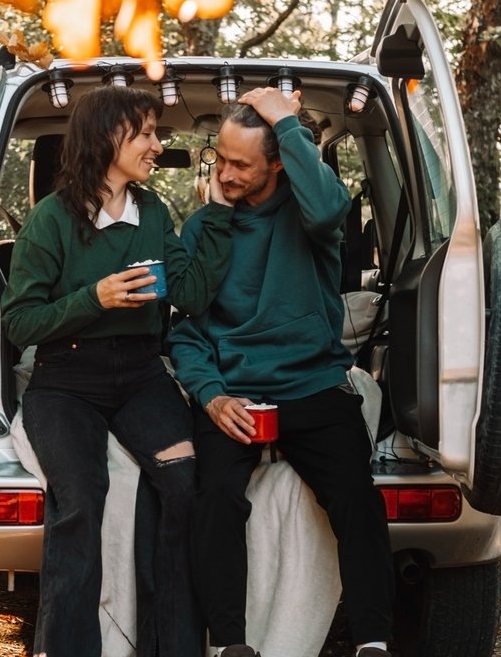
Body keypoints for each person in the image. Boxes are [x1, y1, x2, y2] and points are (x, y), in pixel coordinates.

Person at [2, 84, 233, 657]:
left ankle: (174, 648)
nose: (157, 145)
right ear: (108, 137)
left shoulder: (153, 212)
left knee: (184, 485)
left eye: (156, 132)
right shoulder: (50, 220)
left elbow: (194, 293)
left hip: (141, 376)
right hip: (65, 383)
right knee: (82, 500)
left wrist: (221, 211)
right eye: (147, 133)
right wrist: (94, 298)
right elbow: (20, 324)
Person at [168, 87, 395, 657]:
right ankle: (229, 645)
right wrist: (212, 396)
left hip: (312, 383)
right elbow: (186, 333)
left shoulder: (311, 216)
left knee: (356, 499)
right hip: (235, 395)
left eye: (240, 163)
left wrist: (288, 122)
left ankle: (373, 641)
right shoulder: (203, 229)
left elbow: (328, 206)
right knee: (215, 497)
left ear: (276, 162)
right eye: (219, 158)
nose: (224, 173)